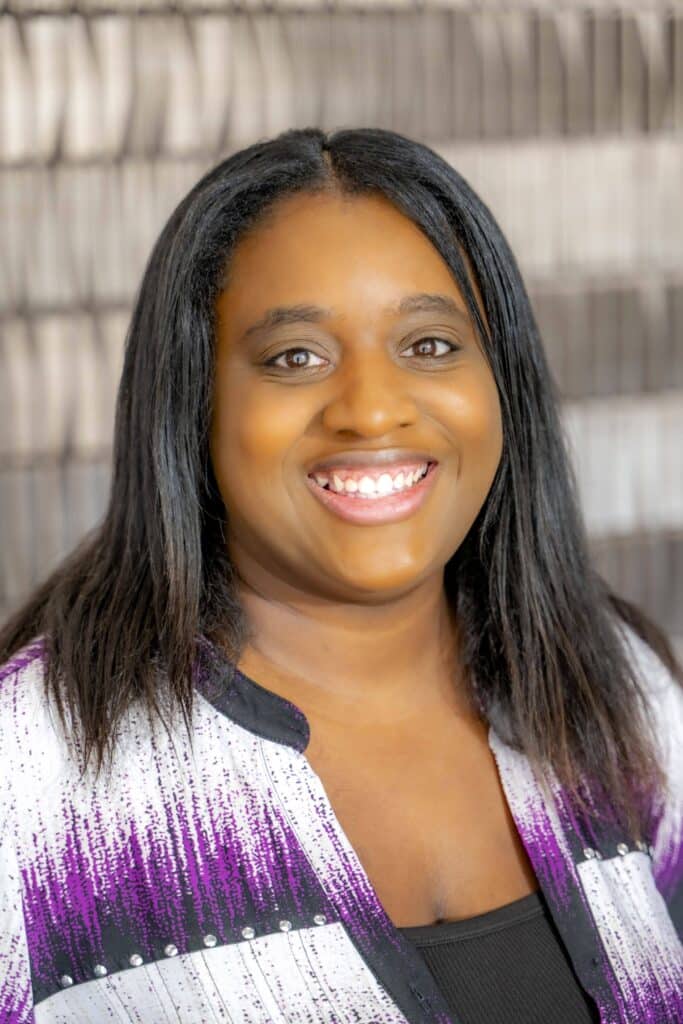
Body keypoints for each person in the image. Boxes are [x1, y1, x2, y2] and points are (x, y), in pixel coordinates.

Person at [0, 127, 680, 1024]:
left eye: (430, 345)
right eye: (295, 357)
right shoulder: (31, 774)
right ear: (194, 404)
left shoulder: (616, 686)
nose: (370, 408)